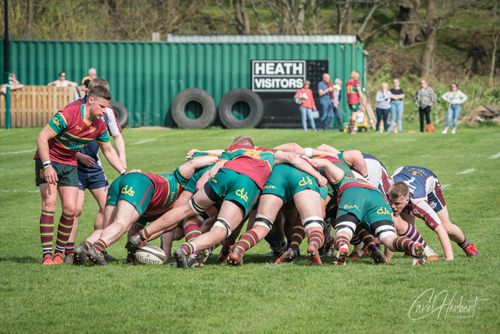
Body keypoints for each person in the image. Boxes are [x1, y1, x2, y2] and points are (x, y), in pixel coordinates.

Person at [126, 135, 327, 269]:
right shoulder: (268, 153)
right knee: (221, 229)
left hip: (224, 175)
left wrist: (206, 178)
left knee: (187, 210)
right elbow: (292, 155)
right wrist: (317, 176)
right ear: (253, 145)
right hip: (246, 182)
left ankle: (141, 237)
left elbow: (217, 164)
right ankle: (188, 249)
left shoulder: (232, 150)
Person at [34, 86, 126, 265]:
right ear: (90, 100)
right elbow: (41, 138)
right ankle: (47, 255)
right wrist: (47, 166)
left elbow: (108, 150)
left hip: (69, 164)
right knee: (50, 205)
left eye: (106, 107)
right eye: (101, 106)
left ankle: (59, 253)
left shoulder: (99, 125)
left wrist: (123, 172)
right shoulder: (67, 114)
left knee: (70, 209)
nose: (104, 111)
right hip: (47, 161)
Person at [72, 155, 219, 266]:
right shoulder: (181, 177)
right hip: (140, 183)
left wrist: (133, 254)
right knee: (122, 224)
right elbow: (193, 163)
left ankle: (83, 247)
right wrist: (224, 154)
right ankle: (97, 248)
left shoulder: (146, 208)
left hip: (121, 182)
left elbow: (135, 232)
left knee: (110, 227)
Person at [312, 159, 426, 266]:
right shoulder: (357, 175)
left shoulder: (341, 173)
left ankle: (343, 248)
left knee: (343, 231)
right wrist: (386, 259)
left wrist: (304, 159)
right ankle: (413, 245)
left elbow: (326, 163)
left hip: (353, 192)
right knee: (389, 238)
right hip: (377, 196)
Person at [63, 78, 127, 263]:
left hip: (94, 167)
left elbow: (116, 138)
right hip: (74, 165)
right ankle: (69, 252)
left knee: (108, 207)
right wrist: (79, 155)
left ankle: (98, 247)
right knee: (75, 210)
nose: (104, 106)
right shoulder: (73, 109)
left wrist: (122, 160)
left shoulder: (107, 112)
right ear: (90, 95)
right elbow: (60, 141)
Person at [389, 166, 480, 260]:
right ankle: (412, 249)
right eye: (391, 202)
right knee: (406, 227)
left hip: (428, 180)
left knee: (447, 228)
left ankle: (467, 246)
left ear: (407, 199)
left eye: (396, 203)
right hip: (404, 172)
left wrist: (449, 259)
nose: (392, 206)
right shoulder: (387, 190)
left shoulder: (419, 203)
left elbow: (440, 229)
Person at [346, 71, 367, 135]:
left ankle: (348, 126)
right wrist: (363, 100)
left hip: (349, 100)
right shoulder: (356, 82)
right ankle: (352, 130)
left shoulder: (348, 82)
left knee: (355, 114)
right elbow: (359, 91)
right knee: (354, 115)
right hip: (354, 100)